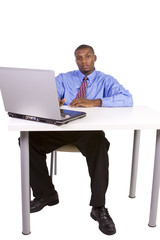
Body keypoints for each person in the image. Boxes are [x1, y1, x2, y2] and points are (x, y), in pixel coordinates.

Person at [29, 44, 133, 235]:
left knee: (100, 145)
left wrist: (96, 102)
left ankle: (98, 207)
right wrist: (52, 100)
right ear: (75, 60)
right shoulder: (64, 78)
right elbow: (44, 95)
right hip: (62, 128)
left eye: (87, 56)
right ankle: (46, 195)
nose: (83, 61)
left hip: (89, 132)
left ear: (95, 58)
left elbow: (127, 99)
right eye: (79, 57)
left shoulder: (105, 80)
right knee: (28, 141)